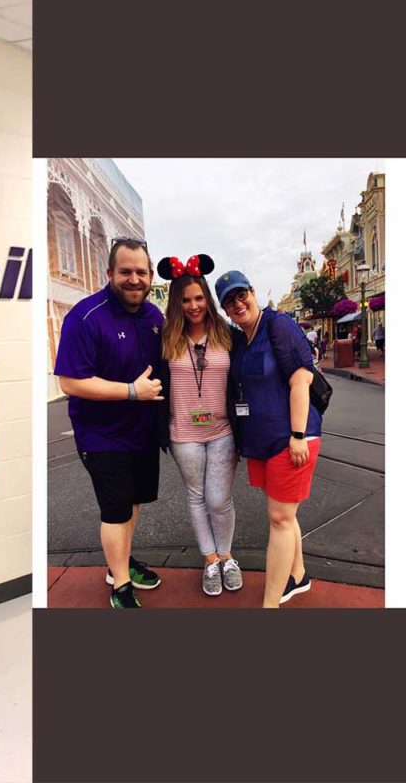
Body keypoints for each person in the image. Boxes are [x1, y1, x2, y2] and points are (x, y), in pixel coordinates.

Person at [54, 237, 164, 608]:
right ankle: (120, 586)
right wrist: (131, 392)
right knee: (116, 510)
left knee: (133, 503)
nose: (134, 279)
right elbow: (69, 381)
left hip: (143, 432)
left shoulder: (154, 317)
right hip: (101, 435)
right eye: (126, 272)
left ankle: (122, 563)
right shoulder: (85, 316)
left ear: (150, 276)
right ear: (109, 274)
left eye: (141, 272)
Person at [216, 271, 323, 607]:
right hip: (261, 440)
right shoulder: (239, 339)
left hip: (291, 437)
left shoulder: (278, 325)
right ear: (225, 309)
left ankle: (270, 604)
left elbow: (301, 380)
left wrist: (298, 435)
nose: (237, 303)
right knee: (284, 514)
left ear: (252, 292)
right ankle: (299, 575)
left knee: (279, 518)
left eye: (240, 294)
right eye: (229, 301)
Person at [155, 255, 242, 597]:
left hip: (223, 430)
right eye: (186, 300)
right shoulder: (165, 340)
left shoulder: (228, 335)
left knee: (218, 499)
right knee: (196, 497)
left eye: (199, 298)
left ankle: (227, 556)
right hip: (183, 433)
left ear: (208, 299)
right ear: (177, 304)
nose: (193, 306)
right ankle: (210, 560)